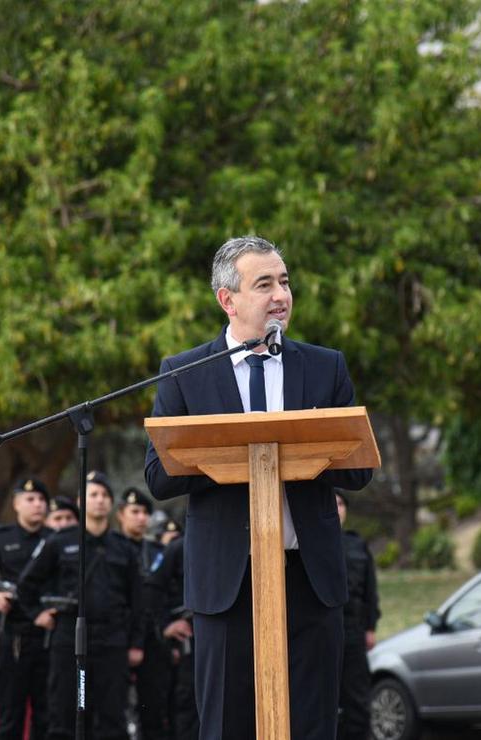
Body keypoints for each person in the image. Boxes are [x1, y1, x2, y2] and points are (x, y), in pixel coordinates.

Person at [144, 235, 374, 739]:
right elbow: (158, 478)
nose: (281, 295)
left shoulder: (324, 366)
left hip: (308, 578)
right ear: (228, 300)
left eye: (285, 282)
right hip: (228, 579)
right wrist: (228, 452)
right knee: (227, 725)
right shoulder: (185, 373)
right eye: (264, 284)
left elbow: (358, 472)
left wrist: (309, 442)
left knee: (313, 725)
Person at [18, 471, 144, 740]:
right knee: (65, 715)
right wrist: (36, 614)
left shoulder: (123, 548)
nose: (99, 500)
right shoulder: (60, 541)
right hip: (70, 641)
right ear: (80, 501)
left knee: (112, 719)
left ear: (111, 504)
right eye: (93, 495)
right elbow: (27, 584)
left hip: (112, 641)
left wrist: (136, 643)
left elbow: (138, 600)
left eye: (105, 495)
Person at [0, 477, 52, 740]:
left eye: (41, 500)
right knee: (10, 716)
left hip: (49, 636)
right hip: (14, 637)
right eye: (30, 499)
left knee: (47, 715)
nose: (37, 504)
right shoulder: (0, 539)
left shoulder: (55, 540)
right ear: (16, 504)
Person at [115, 485, 169, 739]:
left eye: (145, 513)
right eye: (134, 511)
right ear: (121, 514)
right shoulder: (113, 548)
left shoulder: (159, 552)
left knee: (154, 708)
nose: (141, 517)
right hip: (118, 635)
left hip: (153, 637)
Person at [334, 491, 380, 740]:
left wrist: (370, 627)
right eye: (332, 503)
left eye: (341, 503)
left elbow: (370, 590)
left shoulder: (357, 544)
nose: (337, 508)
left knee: (357, 700)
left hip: (353, 630)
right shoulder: (307, 543)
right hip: (321, 632)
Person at [145, 530, 199, 740]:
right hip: (191, 636)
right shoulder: (179, 547)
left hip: (229, 633)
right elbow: (152, 587)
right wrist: (165, 624)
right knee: (189, 702)